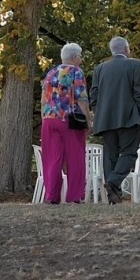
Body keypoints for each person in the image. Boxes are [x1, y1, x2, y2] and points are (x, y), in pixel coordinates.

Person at [89, 35, 140, 205]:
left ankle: (113, 196)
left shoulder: (100, 68)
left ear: (112, 50)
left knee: (110, 156)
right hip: (129, 117)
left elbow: (94, 94)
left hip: (106, 119)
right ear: (126, 49)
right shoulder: (134, 64)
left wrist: (99, 112)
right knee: (129, 153)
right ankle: (114, 182)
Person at [39, 42, 92, 204]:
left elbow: (43, 100)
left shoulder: (51, 73)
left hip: (49, 119)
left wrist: (44, 118)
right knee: (75, 157)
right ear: (74, 57)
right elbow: (81, 98)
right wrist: (88, 121)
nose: (81, 60)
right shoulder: (75, 72)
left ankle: (52, 195)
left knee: (53, 158)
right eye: (80, 56)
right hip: (69, 119)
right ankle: (75, 195)